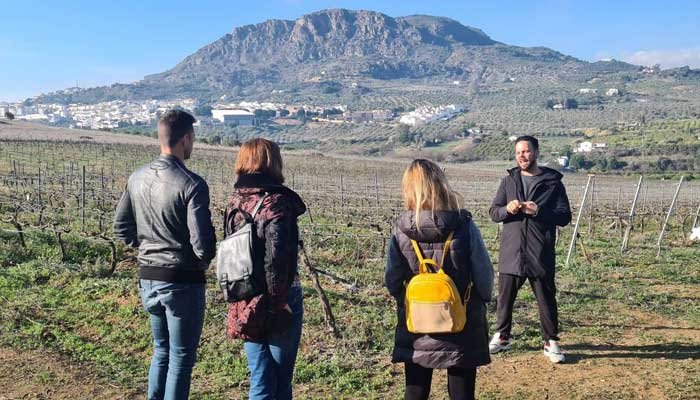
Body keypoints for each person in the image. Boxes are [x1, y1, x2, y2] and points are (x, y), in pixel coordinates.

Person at [114, 109, 216, 399]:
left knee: (161, 350)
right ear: (185, 139)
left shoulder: (136, 178)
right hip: (182, 280)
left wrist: (145, 247)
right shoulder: (192, 183)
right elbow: (202, 244)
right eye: (193, 138)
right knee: (181, 357)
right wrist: (201, 260)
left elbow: (121, 227)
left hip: (148, 277)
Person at [385, 159, 494, 400]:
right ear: (440, 185)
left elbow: (392, 278)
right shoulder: (464, 225)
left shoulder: (401, 230)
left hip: (417, 321)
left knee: (415, 389)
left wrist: (406, 300)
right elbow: (483, 273)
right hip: (462, 318)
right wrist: (483, 300)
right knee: (462, 392)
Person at [225, 138, 306, 400]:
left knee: (259, 378)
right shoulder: (277, 203)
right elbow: (278, 259)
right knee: (281, 382)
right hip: (279, 296)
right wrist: (278, 303)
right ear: (273, 163)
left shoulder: (235, 202)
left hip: (245, 295)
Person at [488, 135, 572, 363]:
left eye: (526, 151)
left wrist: (539, 211)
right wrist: (507, 209)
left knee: (546, 298)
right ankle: (502, 336)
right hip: (512, 251)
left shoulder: (553, 183)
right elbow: (494, 212)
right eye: (518, 152)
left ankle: (551, 341)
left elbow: (565, 216)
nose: (522, 156)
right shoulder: (508, 182)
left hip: (539, 252)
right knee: (505, 299)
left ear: (535, 152)